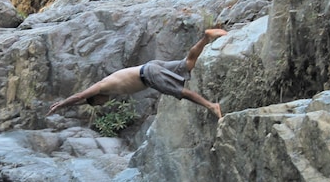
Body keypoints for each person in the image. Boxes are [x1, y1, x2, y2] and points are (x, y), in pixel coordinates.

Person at [47, 28, 227, 118]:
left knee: (181, 92)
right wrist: (65, 106)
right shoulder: (107, 90)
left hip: (149, 75)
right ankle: (206, 36)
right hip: (149, 68)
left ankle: (212, 106)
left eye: (99, 104)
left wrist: (61, 105)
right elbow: (82, 102)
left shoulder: (101, 86)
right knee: (188, 64)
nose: (103, 104)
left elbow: (80, 96)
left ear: (97, 98)